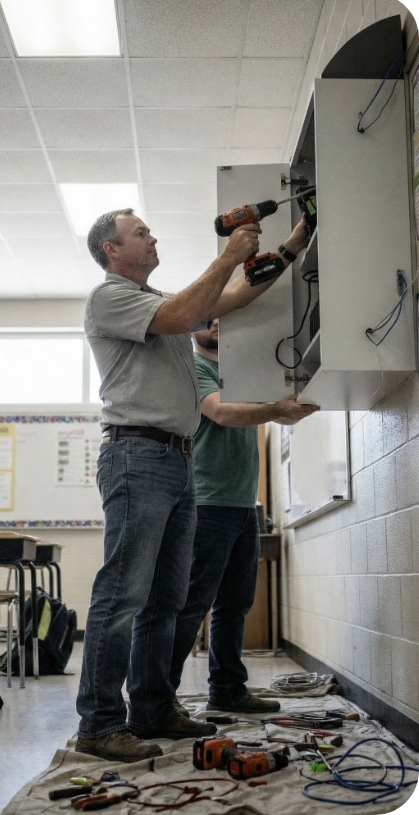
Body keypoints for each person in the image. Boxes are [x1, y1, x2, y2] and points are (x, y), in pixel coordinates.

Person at [75, 207, 308, 763]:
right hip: (137, 455)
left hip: (175, 461)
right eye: (140, 233)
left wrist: (294, 246)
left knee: (166, 597)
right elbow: (188, 312)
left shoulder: (159, 303)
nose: (152, 237)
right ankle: (99, 724)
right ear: (112, 250)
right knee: (124, 592)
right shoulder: (110, 298)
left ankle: (152, 708)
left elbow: (233, 297)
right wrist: (228, 254)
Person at [168, 316, 319, 715]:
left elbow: (265, 409)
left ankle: (228, 690)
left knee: (235, 604)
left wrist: (284, 408)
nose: (216, 323)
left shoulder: (241, 374)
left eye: (223, 317)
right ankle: (160, 699)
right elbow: (219, 413)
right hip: (206, 503)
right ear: (190, 327)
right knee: (192, 603)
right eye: (206, 318)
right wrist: (273, 409)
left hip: (243, 504)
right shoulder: (193, 367)